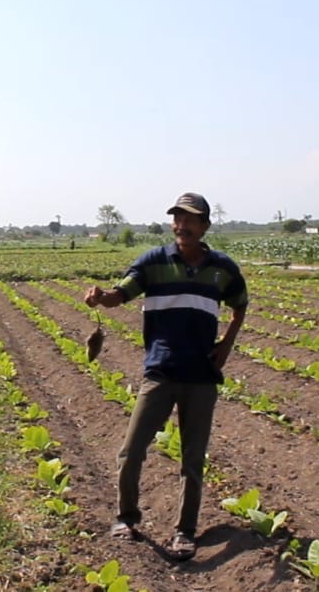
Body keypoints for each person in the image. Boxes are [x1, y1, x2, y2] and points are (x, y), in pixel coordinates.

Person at [84, 192, 248, 561]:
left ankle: (184, 532)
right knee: (131, 450)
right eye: (177, 218)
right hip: (160, 372)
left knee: (192, 458)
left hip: (201, 376)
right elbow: (120, 295)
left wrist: (227, 344)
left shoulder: (222, 269)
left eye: (190, 219)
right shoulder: (153, 262)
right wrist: (100, 297)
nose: (181, 225)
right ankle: (126, 518)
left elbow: (240, 305)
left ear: (204, 225)